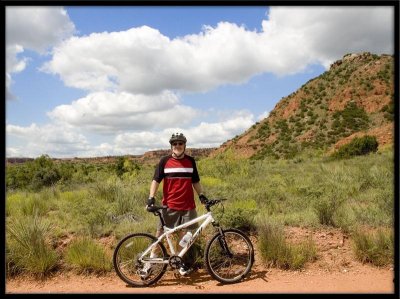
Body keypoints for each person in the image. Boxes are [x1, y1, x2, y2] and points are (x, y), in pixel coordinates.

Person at [145, 133, 208, 277]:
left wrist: (202, 195)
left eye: (180, 143)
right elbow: (156, 180)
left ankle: (179, 262)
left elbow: (195, 181)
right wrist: (151, 197)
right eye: (175, 144)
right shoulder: (164, 161)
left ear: (184, 145)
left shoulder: (191, 161)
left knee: (187, 234)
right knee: (160, 234)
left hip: (188, 206)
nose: (178, 146)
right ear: (171, 146)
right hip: (170, 206)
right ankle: (150, 262)